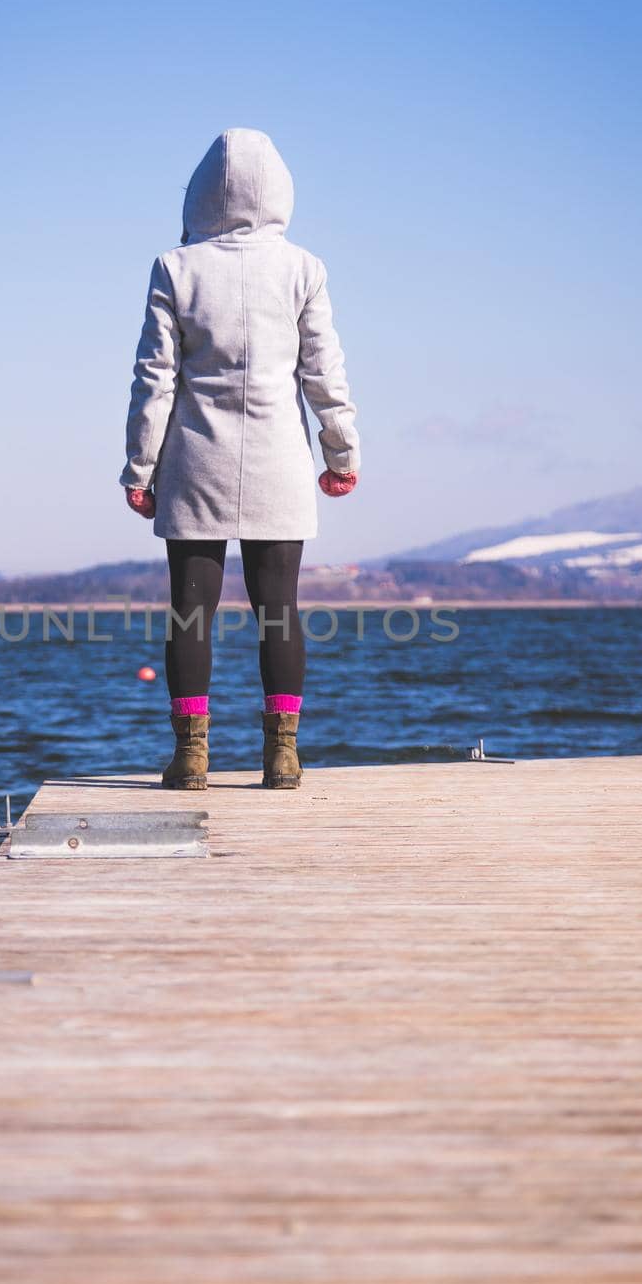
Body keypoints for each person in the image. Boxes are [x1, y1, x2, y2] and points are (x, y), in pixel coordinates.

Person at [120, 127, 360, 791]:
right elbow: (324, 374)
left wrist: (139, 470)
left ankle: (190, 757)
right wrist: (340, 452)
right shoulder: (303, 268)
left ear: (200, 193)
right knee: (277, 610)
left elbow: (154, 379)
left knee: (189, 612)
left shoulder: (175, 268)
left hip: (193, 459)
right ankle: (282, 757)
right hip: (280, 459)